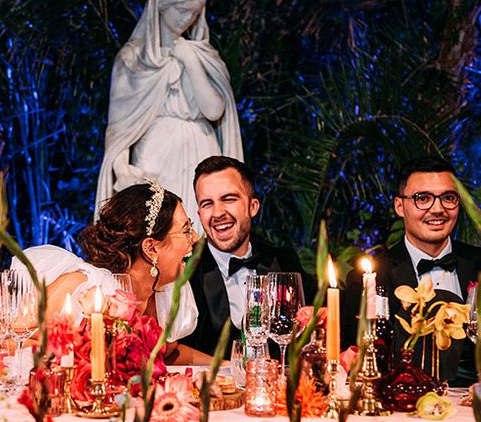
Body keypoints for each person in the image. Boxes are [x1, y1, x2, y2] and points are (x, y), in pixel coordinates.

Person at [94, 0, 243, 225]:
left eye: (195, 13)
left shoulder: (204, 56)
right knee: (161, 229)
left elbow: (214, 110)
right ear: (162, 6)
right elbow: (120, 129)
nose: (188, 19)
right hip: (155, 155)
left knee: (202, 226)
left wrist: (190, 59)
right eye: (182, 10)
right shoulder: (133, 59)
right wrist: (122, 169)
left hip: (202, 148)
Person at [13, 180, 210, 365]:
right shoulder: (84, 289)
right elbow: (11, 341)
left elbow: (168, 355)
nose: (194, 237)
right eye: (186, 230)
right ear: (150, 248)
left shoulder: (164, 293)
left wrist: (227, 367)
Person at [342, 156, 481, 385]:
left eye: (448, 198)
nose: (438, 209)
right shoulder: (368, 278)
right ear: (399, 206)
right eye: (422, 198)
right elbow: (352, 358)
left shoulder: (478, 264)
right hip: (401, 411)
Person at [181, 156, 314, 357]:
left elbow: (322, 313)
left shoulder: (283, 260)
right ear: (200, 215)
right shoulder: (184, 270)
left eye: (228, 199)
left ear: (253, 207)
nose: (218, 213)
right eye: (207, 203)